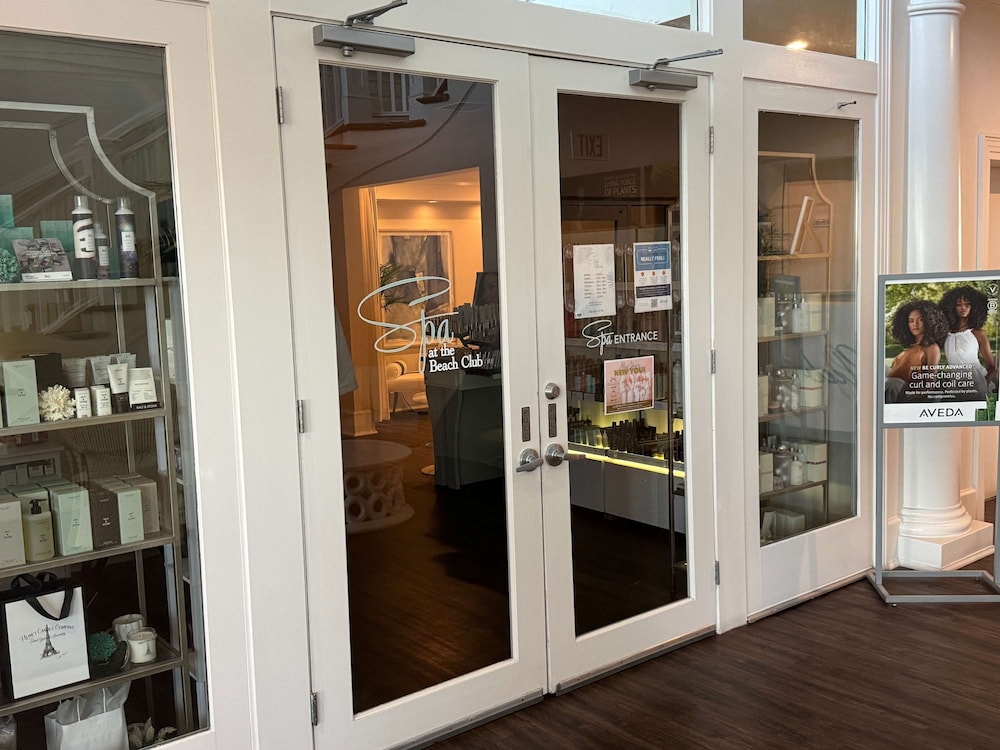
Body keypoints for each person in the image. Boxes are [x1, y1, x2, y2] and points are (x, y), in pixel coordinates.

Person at [885, 300, 950, 403]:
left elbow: (930, 383)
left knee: (892, 384)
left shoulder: (931, 347)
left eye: (921, 319)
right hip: (889, 388)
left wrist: (914, 395)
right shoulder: (910, 347)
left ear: (930, 321)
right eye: (911, 321)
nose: (915, 324)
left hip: (902, 391)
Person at [939, 285, 997, 399]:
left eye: (967, 304)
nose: (963, 307)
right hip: (954, 385)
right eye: (959, 304)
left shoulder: (978, 333)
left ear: (974, 307)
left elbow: (992, 367)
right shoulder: (945, 334)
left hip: (978, 382)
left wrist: (982, 386)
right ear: (951, 307)